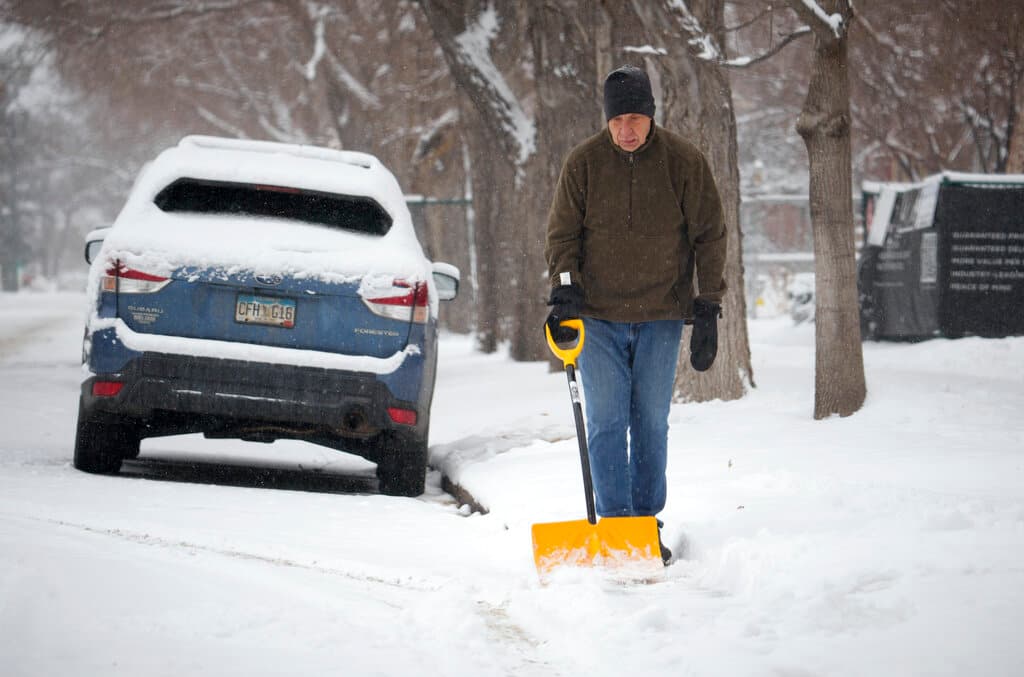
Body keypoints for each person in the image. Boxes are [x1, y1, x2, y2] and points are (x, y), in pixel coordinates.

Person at [544, 65, 728, 564]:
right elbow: (562, 237)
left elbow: (709, 233)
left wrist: (708, 302)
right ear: (606, 119)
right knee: (605, 421)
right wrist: (564, 292)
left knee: (650, 421)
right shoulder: (583, 164)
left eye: (636, 117)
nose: (626, 129)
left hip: (661, 314)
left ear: (651, 114)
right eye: (617, 119)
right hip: (598, 317)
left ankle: (646, 523)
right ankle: (617, 525)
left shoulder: (683, 162)